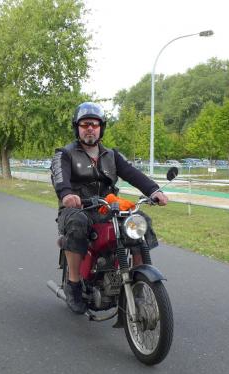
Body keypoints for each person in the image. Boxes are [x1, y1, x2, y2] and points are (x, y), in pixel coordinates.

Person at [50, 102, 168, 314]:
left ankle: (138, 280)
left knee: (139, 221)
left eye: (94, 124)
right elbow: (60, 178)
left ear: (101, 128)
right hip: (78, 208)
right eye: (85, 124)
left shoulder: (111, 155)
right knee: (77, 223)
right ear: (77, 127)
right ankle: (74, 285)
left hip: (108, 208)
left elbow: (133, 174)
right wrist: (67, 194)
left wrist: (154, 191)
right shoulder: (65, 154)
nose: (90, 128)